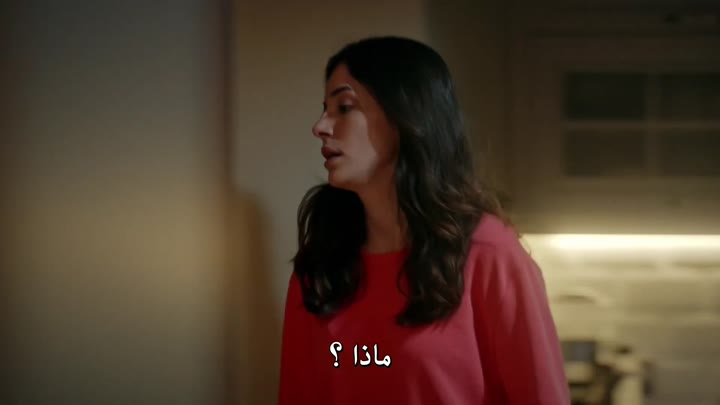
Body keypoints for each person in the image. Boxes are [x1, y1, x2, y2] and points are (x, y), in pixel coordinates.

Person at [278, 36, 569, 405]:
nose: (320, 126)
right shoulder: (319, 268)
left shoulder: (489, 253)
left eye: (344, 108)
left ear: (404, 118)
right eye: (325, 109)